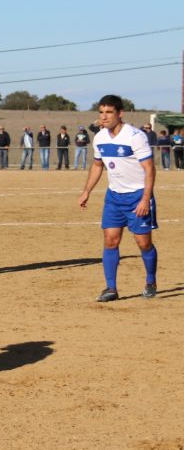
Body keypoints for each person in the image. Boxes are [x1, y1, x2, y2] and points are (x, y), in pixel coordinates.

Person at [78, 94, 158, 302]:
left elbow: (149, 169)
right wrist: (86, 191)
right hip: (113, 197)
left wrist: (144, 199)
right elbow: (97, 165)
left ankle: (150, 282)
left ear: (120, 113)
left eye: (109, 112)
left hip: (137, 196)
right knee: (110, 241)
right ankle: (111, 288)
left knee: (143, 243)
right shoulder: (99, 138)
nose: (104, 117)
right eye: (101, 112)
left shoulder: (135, 136)